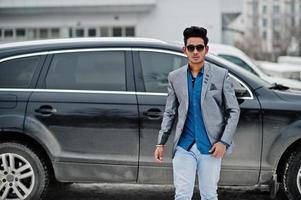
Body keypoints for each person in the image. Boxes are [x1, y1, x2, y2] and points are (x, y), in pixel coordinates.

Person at [154, 26, 240, 200]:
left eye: (199, 47)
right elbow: (170, 112)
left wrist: (224, 142)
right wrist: (160, 142)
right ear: (184, 50)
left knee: (209, 195)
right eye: (191, 47)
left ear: (206, 49)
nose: (195, 52)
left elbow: (234, 110)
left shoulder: (220, 75)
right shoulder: (175, 77)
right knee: (182, 195)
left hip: (211, 147)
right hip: (183, 147)